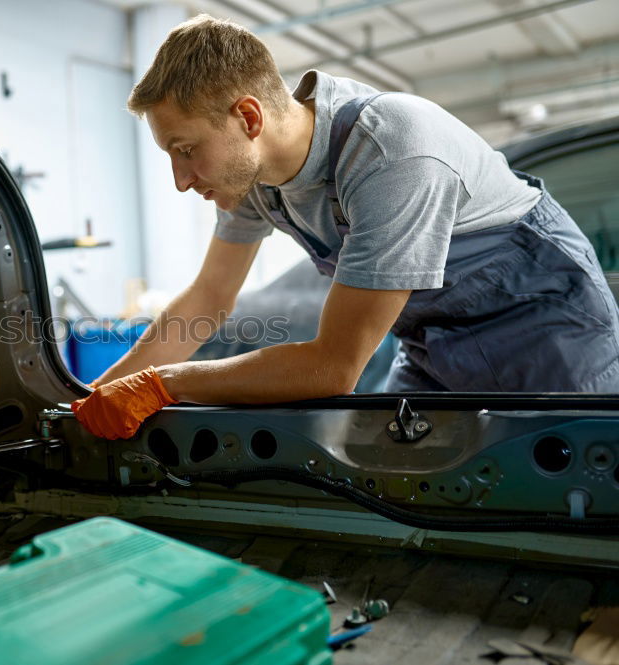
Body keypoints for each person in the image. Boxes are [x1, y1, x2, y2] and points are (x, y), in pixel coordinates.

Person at [71, 14, 619, 440]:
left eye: (186, 151)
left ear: (249, 118)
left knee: (569, 503)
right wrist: (96, 392)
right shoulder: (252, 180)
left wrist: (166, 386)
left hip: (551, 336)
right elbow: (208, 298)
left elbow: (334, 368)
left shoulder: (392, 153)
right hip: (436, 345)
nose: (181, 181)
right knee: (385, 479)